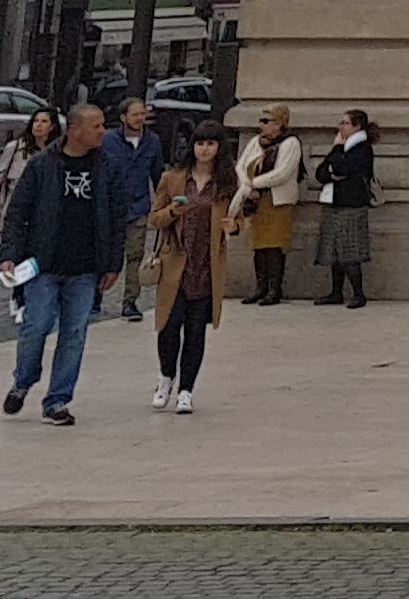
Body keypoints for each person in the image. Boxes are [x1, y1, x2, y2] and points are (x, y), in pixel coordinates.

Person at [0, 102, 123, 424]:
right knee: (35, 327)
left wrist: (113, 263)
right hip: (43, 265)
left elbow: (116, 218)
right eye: (96, 126)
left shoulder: (108, 167)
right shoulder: (42, 165)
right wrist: (9, 255)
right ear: (75, 130)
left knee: (74, 333)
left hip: (85, 268)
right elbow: (17, 214)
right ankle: (23, 381)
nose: (103, 131)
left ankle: (58, 400)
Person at [148, 130, 240, 414]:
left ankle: (186, 390)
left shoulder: (227, 182)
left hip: (206, 266)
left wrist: (235, 227)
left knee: (196, 331)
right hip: (175, 264)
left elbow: (240, 216)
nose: (204, 149)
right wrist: (173, 211)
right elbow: (155, 218)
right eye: (200, 143)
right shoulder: (173, 178)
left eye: (210, 143)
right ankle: (166, 377)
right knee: (168, 326)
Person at [98, 92, 168, 324]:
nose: (140, 118)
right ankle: (96, 294)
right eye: (135, 114)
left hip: (138, 206)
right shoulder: (108, 140)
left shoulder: (153, 141)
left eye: (142, 114)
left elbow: (157, 173)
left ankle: (130, 301)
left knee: (135, 255)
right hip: (109, 206)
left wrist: (162, 201)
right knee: (104, 252)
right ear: (123, 117)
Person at [235, 106, 304, 305]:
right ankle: (260, 286)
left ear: (279, 123)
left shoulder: (290, 143)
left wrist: (252, 184)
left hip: (276, 199)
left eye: (266, 121)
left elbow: (282, 173)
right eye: (261, 121)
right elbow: (241, 166)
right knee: (258, 244)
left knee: (273, 244)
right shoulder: (256, 142)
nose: (262, 125)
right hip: (255, 200)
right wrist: (247, 185)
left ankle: (274, 289)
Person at [311, 108, 377, 308]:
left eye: (345, 123)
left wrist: (337, 151)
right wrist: (331, 173)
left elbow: (343, 167)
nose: (340, 127)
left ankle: (358, 293)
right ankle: (336, 292)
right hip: (334, 202)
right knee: (334, 251)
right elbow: (321, 172)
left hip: (351, 205)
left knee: (350, 251)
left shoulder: (362, 149)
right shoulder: (341, 148)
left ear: (357, 126)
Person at [0, 108, 61, 246]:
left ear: (52, 126)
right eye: (35, 121)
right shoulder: (15, 148)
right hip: (14, 212)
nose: (38, 125)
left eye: (44, 121)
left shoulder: (57, 152)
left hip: (45, 214)